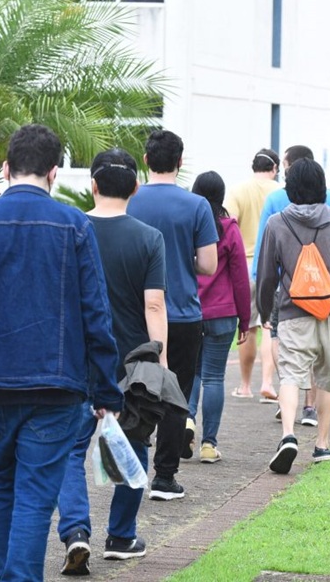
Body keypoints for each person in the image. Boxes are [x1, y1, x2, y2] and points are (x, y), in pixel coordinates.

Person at [0, 124, 123, 580]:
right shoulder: (74, 224)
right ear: (55, 173)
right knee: (36, 492)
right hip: (57, 384)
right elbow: (97, 314)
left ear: (5, 168)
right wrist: (106, 389)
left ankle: (0, 575)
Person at [56, 148, 169, 575]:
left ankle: (76, 532)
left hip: (74, 361)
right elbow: (154, 306)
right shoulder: (147, 237)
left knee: (69, 449)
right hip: (131, 363)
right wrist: (157, 362)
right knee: (134, 444)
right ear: (135, 188)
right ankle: (121, 536)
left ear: (93, 184)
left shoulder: (71, 229)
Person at [126, 129, 218, 499]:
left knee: (134, 391)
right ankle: (165, 476)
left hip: (134, 315)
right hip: (181, 313)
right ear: (180, 163)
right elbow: (209, 265)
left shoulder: (128, 201)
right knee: (176, 394)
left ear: (146, 160)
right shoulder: (197, 206)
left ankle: (130, 471)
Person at [256, 158, 330, 474]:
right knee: (326, 376)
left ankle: (288, 434)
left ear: (290, 189)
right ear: (320, 187)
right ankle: (322, 445)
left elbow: (265, 276)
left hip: (291, 310)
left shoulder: (276, 223)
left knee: (289, 374)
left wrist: (264, 311)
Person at [251, 145, 330, 425]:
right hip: (328, 295)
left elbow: (263, 260)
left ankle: (287, 405)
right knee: (322, 359)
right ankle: (309, 408)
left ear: (289, 171)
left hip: (288, 290)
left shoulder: (275, 201)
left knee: (284, 349)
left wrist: (263, 302)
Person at [188, 171, 251, 463]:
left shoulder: (187, 225)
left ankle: (186, 421)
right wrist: (245, 320)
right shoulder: (229, 228)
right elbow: (240, 278)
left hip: (189, 312)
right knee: (214, 376)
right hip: (223, 314)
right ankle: (209, 445)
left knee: (191, 373)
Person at [224, 149, 279, 401]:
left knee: (247, 327)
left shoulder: (237, 190)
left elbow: (228, 223)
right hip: (273, 266)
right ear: (275, 168)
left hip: (244, 266)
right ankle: (267, 382)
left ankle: (245, 386)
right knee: (270, 326)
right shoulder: (279, 192)